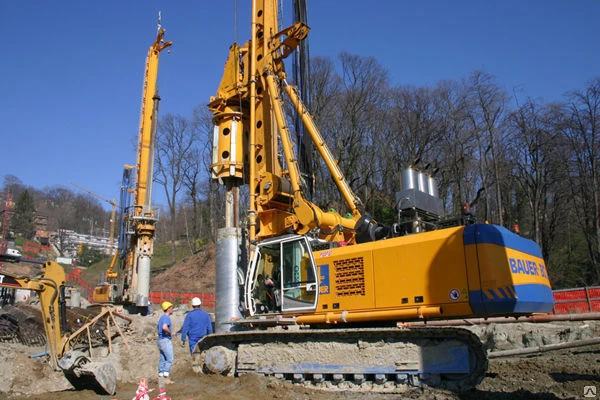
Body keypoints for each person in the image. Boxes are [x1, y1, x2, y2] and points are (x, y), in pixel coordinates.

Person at [157, 301, 175, 384]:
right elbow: (164, 327)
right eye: (171, 308)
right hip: (165, 340)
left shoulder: (161, 318)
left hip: (160, 340)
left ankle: (160, 376)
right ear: (168, 309)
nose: (172, 309)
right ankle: (166, 377)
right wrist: (171, 332)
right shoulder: (166, 318)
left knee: (163, 358)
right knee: (170, 359)